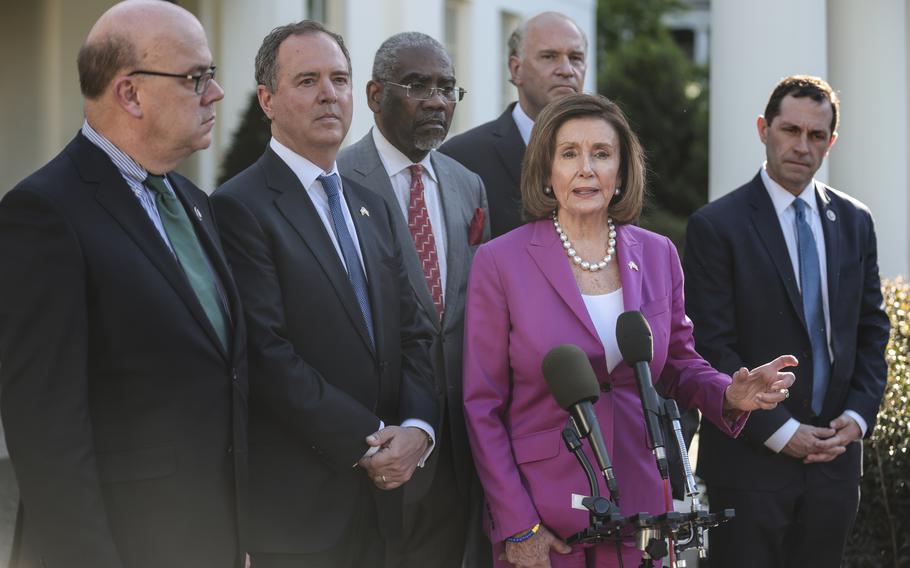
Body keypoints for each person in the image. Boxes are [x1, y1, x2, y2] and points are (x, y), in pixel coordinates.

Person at [462, 93, 797, 568]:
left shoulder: (658, 254)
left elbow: (679, 363)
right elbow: (482, 406)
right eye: (569, 153)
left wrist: (731, 394)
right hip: (546, 513)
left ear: (621, 171)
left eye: (601, 153)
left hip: (643, 506)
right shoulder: (500, 263)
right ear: (545, 170)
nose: (586, 169)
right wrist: (518, 526)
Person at [0, 2, 246, 567]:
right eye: (196, 78)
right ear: (130, 94)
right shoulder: (44, 214)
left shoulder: (193, 203)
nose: (216, 93)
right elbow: (47, 436)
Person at [211, 21, 438, 568]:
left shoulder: (372, 204)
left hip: (384, 504)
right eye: (307, 80)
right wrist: (370, 441)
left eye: (339, 78)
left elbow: (413, 331)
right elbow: (267, 355)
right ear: (267, 99)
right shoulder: (238, 207)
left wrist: (418, 430)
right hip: (300, 513)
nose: (329, 94)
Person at [684, 75, 889, 567]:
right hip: (749, 464)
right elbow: (712, 346)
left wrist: (857, 419)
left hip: (834, 465)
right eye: (790, 130)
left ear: (830, 142)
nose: (802, 146)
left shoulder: (855, 220)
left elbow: (871, 329)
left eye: (816, 136)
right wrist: (781, 430)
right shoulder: (716, 226)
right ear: (763, 129)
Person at [337, 32, 491, 568]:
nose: (436, 102)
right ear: (376, 93)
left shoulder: (467, 184)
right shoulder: (337, 178)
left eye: (448, 88)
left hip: (462, 436)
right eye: (418, 85)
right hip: (380, 439)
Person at [440, 12, 587, 238]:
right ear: (516, 69)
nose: (567, 70)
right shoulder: (459, 158)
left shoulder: (607, 155)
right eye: (549, 57)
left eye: (576, 58)